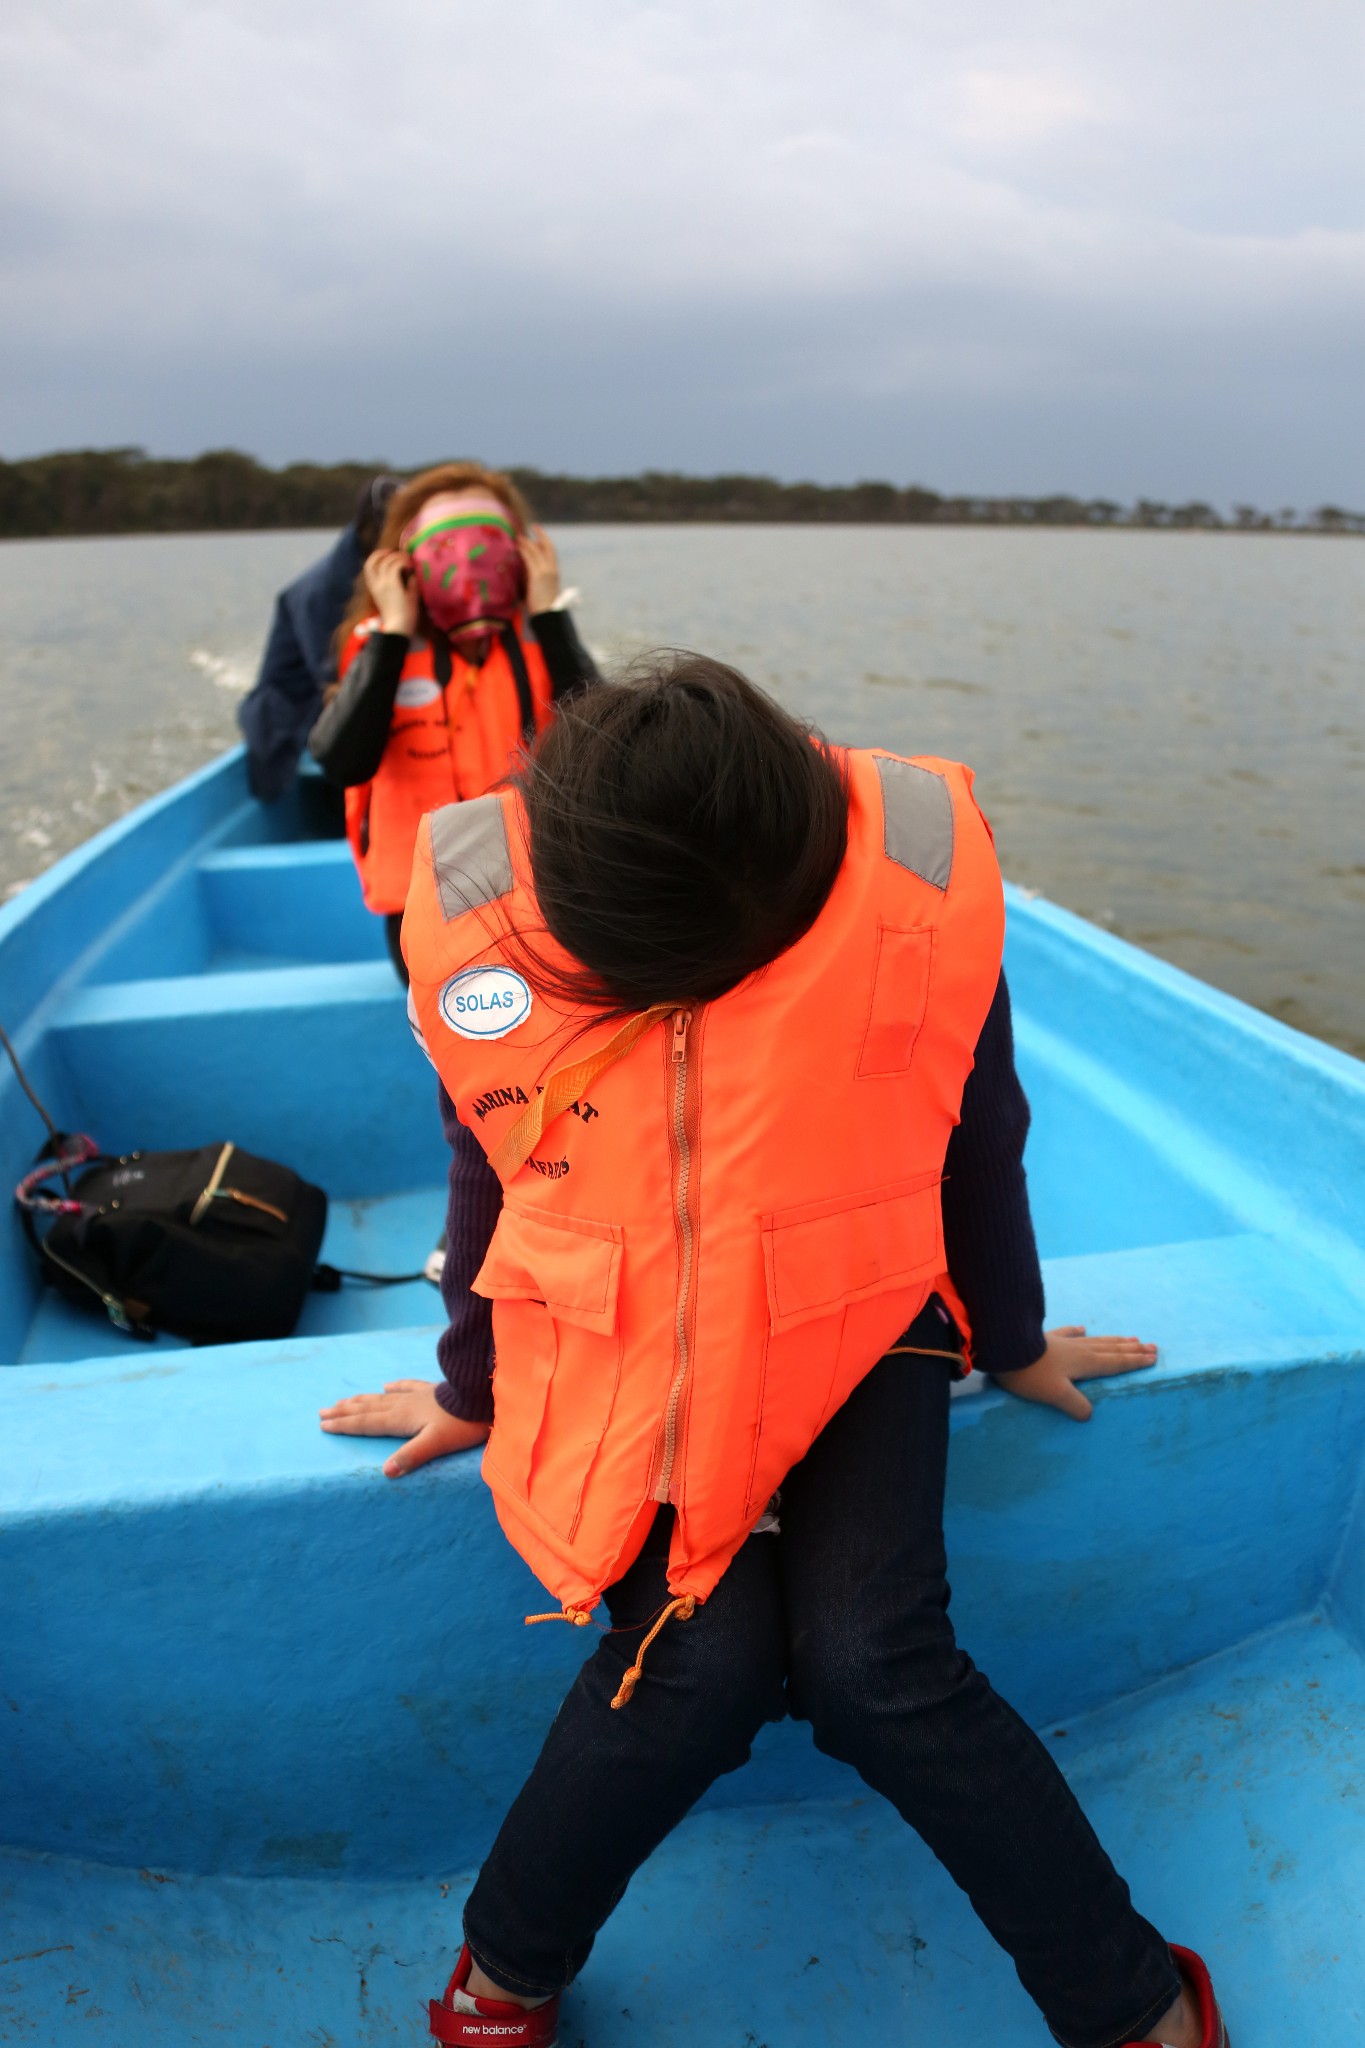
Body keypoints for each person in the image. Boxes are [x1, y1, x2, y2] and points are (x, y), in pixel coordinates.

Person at [319, 656, 1228, 2048]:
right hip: (623, 1335)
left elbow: (977, 1138)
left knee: (877, 1664)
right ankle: (504, 1971)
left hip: (857, 1313)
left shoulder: (911, 895)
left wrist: (1018, 1335)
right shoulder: (490, 928)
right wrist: (469, 1389)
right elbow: (490, 1163)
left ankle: (1131, 2005)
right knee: (693, 1660)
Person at [308, 461, 597, 982]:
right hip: (424, 897)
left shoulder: (542, 634)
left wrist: (552, 615)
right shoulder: (381, 645)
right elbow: (342, 761)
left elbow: (609, 745)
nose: (468, 563)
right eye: (445, 547)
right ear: (405, 562)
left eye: (488, 543)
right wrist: (393, 632)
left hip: (542, 890)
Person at [238, 475, 400, 802]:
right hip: (295, 706)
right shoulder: (321, 592)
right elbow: (332, 678)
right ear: (367, 528)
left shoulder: (378, 570)